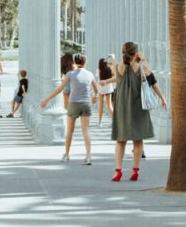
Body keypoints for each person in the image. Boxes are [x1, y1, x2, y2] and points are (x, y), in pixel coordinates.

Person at [99, 42, 167, 182]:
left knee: (120, 140)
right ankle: (135, 170)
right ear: (136, 53)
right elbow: (154, 84)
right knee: (138, 140)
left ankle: (118, 170)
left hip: (122, 108)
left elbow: (117, 79)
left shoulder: (117, 67)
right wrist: (162, 98)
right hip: (138, 107)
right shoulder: (142, 68)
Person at [41, 53, 99, 164]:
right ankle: (88, 156)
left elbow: (59, 90)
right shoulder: (90, 74)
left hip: (73, 104)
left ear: (74, 62)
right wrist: (94, 97)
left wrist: (46, 100)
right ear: (85, 62)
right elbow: (96, 90)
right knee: (86, 130)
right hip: (86, 104)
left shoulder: (70, 74)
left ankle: (67, 154)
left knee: (70, 131)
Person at [96, 57, 115, 127]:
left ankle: (100, 122)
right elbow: (113, 76)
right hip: (108, 88)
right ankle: (113, 122)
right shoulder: (109, 69)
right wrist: (112, 60)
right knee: (110, 105)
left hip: (101, 89)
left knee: (100, 106)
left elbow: (97, 79)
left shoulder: (98, 70)